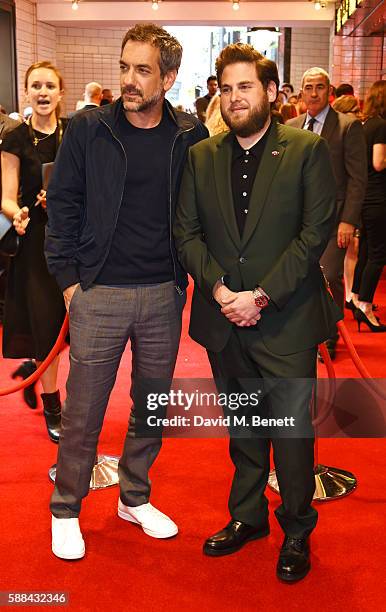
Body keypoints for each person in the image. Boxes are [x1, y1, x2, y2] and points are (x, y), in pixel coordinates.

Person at [174, 43, 341, 583]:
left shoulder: (305, 150)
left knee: (292, 437)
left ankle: (296, 527)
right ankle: (247, 518)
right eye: (225, 88)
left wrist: (262, 296)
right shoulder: (203, 155)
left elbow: (314, 235)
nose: (233, 97)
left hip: (286, 319)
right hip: (225, 320)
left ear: (271, 93)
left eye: (245, 86)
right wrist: (222, 292)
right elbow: (186, 232)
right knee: (244, 428)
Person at [45, 23, 208, 561]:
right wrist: (69, 281)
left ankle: (134, 496)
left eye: (143, 70)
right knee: (85, 410)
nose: (130, 80)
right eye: (124, 67)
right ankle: (66, 507)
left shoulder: (189, 135)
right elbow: (63, 205)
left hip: (163, 292)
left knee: (151, 406)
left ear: (169, 77)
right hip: (99, 291)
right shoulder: (89, 128)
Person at [1, 61, 67, 440]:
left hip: (73, 243)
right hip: (36, 245)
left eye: (49, 86)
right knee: (46, 328)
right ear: (26, 92)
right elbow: (7, 199)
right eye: (35, 86)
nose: (42, 92)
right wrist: (20, 213)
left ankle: (36, 373)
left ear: (60, 92)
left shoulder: (74, 134)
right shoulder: (15, 138)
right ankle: (54, 406)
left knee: (73, 332)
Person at [287, 67, 367, 359]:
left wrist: (349, 220)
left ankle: (330, 336)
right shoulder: (293, 125)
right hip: (297, 221)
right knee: (297, 276)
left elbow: (358, 178)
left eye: (319, 87)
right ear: (301, 92)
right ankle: (304, 332)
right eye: (308, 87)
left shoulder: (347, 126)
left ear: (329, 91)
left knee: (328, 275)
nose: (313, 93)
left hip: (334, 221)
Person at [351, 81, 386, 331]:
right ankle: (365, 304)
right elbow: (379, 162)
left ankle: (356, 297)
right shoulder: (381, 126)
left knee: (366, 250)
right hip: (378, 198)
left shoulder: (366, 125)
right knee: (378, 254)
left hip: (365, 196)